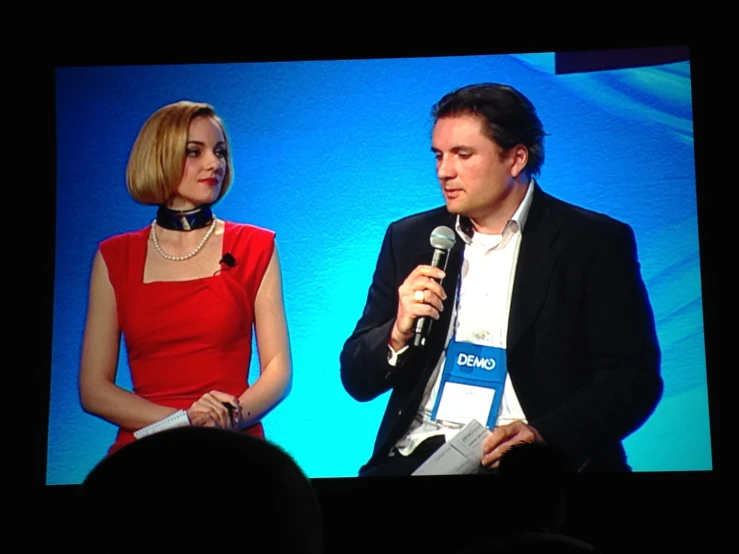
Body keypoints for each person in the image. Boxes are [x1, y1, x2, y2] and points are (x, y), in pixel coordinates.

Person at [340, 83, 662, 476]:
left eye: (463, 154)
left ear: (516, 158)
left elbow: (633, 379)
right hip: (422, 454)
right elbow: (356, 380)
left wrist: (544, 435)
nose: (445, 171)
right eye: (439, 156)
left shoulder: (592, 242)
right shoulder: (409, 239)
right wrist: (396, 334)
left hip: (534, 461)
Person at [79, 100, 292, 457]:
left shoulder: (256, 246)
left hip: (232, 442)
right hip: (148, 448)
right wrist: (182, 422)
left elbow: (278, 371)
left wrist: (222, 420)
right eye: (196, 152)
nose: (215, 163)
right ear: (160, 158)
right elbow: (94, 389)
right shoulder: (115, 257)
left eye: (220, 152)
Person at [77, 427, 323, 551]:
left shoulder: (270, 477)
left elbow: (278, 373)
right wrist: (185, 418)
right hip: (141, 447)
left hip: (233, 427)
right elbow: (93, 390)